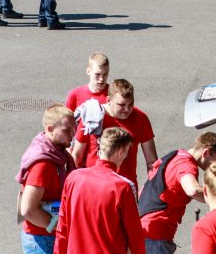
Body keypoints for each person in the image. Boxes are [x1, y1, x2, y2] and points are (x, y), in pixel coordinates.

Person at [55, 127, 146, 254]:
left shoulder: (73, 178)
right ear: (120, 152)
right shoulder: (123, 186)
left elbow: (62, 225)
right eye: (126, 153)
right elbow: (135, 235)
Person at [139, 132, 216, 253]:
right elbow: (192, 190)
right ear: (206, 153)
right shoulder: (186, 166)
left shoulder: (176, 155)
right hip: (156, 235)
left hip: (145, 228)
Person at [72, 79, 157, 189]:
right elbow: (77, 155)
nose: (127, 109)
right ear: (108, 100)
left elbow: (152, 161)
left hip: (125, 187)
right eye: (121, 105)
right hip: (93, 187)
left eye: (131, 104)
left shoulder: (141, 118)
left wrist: (153, 189)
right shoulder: (93, 117)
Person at [16, 104, 77, 254]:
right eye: (67, 130)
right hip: (41, 240)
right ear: (50, 129)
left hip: (50, 236)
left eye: (73, 129)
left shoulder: (61, 155)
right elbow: (28, 209)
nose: (72, 134)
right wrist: (55, 226)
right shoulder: (43, 165)